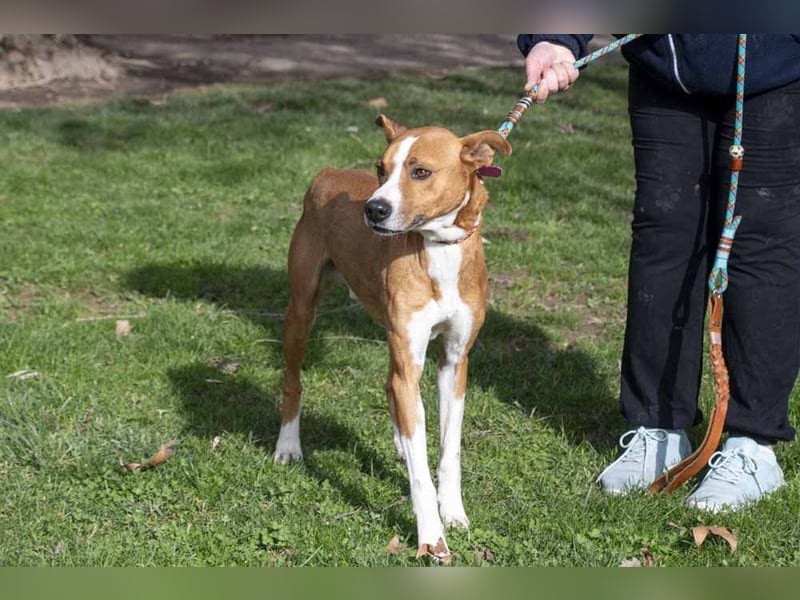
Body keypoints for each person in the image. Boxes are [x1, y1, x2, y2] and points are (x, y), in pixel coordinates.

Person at [516, 34, 800, 511]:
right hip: (664, 66)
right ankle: (658, 426)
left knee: (762, 245)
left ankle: (753, 444)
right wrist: (555, 37)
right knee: (664, 240)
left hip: (778, 68)